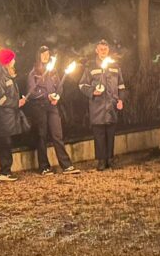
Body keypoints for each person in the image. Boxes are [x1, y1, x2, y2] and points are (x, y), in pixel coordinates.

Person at [27, 46, 79, 176]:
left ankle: (66, 165)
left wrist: (57, 96)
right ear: (38, 56)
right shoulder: (33, 73)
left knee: (57, 135)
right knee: (42, 136)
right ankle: (44, 166)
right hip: (40, 107)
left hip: (52, 106)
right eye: (43, 54)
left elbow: (59, 87)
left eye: (47, 54)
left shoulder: (53, 71)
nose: (46, 56)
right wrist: (46, 96)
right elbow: (31, 92)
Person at [79, 39, 126, 171]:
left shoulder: (115, 66)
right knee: (99, 134)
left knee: (110, 133)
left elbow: (121, 85)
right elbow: (82, 85)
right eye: (101, 49)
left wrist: (121, 100)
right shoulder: (91, 67)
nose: (103, 51)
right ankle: (101, 160)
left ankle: (110, 159)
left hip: (111, 106)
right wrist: (93, 92)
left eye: (105, 49)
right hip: (97, 106)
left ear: (108, 50)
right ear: (96, 50)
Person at [0, 48, 28, 181]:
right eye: (12, 59)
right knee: (4, 144)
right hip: (3, 118)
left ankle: (6, 171)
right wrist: (15, 103)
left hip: (9, 117)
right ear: (7, 61)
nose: (14, 61)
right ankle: (4, 172)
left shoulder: (8, 76)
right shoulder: (0, 77)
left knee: (7, 143)